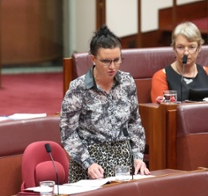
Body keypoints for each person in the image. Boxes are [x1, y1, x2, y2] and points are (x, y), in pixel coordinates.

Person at [60, 25, 150, 183]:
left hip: (123, 161)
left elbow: (134, 123)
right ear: (93, 59)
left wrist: (138, 157)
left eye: (117, 60)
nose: (113, 66)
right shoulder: (78, 88)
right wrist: (88, 163)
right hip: (91, 166)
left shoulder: (127, 82)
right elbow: (68, 134)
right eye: (106, 61)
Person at [151, 21, 208, 103]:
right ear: (174, 49)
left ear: (199, 48)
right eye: (180, 47)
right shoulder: (161, 77)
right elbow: (162, 111)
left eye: (191, 47)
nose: (186, 52)